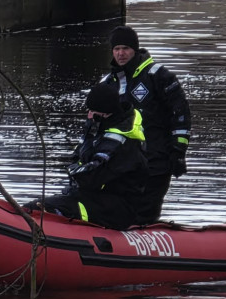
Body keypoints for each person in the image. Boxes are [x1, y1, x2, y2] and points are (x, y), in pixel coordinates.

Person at [99, 25, 192, 224]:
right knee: (120, 213)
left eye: (125, 48)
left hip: (156, 162)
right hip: (121, 166)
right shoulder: (107, 83)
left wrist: (178, 151)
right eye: (116, 49)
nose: (121, 53)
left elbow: (180, 113)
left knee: (146, 214)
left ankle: (149, 245)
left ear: (135, 49)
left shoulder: (158, 76)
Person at [25, 84, 148, 230]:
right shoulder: (98, 129)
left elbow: (92, 177)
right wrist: (76, 170)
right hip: (91, 198)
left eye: (93, 111)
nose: (89, 115)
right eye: (88, 110)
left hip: (114, 208)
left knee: (46, 208)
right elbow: (78, 159)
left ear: (106, 112)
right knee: (33, 207)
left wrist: (75, 171)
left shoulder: (121, 142)